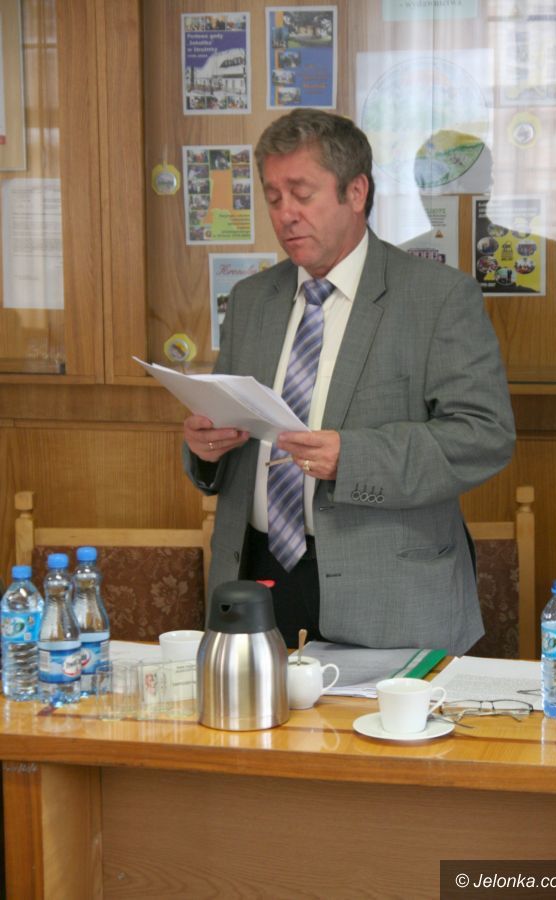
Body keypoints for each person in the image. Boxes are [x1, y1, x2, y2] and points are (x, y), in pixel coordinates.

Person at [183, 109, 515, 654]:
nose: (285, 214)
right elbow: (225, 422)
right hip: (257, 577)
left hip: (388, 593)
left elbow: (484, 436)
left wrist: (353, 457)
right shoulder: (251, 300)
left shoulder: (437, 298)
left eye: (302, 194)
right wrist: (205, 448)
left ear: (355, 192)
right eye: (273, 197)